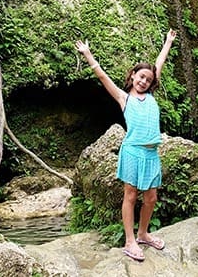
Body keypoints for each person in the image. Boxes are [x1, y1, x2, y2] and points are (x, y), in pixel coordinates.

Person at [74, 29, 177, 262]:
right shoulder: (124, 98)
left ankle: (143, 234)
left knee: (151, 198)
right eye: (141, 77)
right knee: (130, 196)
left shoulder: (151, 96)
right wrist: (88, 54)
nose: (144, 81)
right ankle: (130, 241)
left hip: (151, 153)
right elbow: (102, 77)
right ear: (132, 76)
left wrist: (168, 42)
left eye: (148, 79)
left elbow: (159, 63)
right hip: (132, 151)